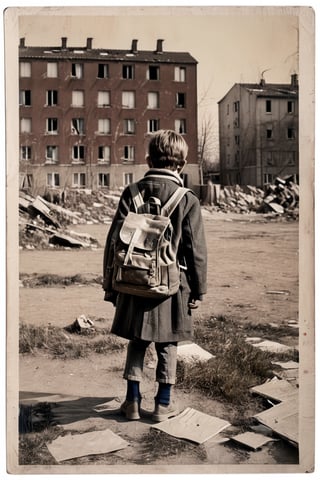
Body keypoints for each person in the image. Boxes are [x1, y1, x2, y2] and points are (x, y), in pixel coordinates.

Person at [103, 130, 207, 422]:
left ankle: (132, 402)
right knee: (167, 344)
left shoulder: (131, 192)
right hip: (171, 286)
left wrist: (111, 287)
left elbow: (114, 243)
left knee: (137, 340)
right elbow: (196, 250)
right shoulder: (187, 199)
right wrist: (198, 290)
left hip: (133, 281)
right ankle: (163, 404)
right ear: (182, 164)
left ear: (148, 159)